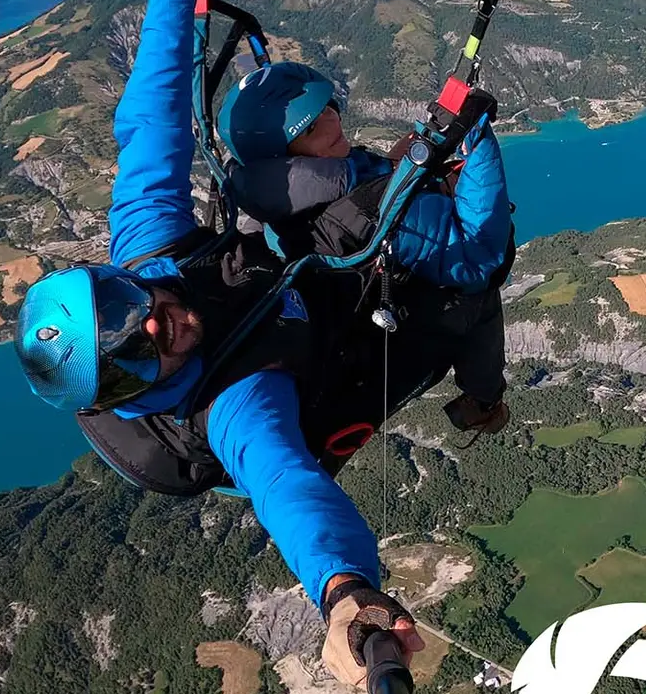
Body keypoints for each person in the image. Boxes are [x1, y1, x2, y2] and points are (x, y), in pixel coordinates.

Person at [12, 0, 497, 686]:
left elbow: (152, 115)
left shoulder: (150, 249)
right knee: (471, 294)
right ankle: (484, 403)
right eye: (137, 356)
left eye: (130, 306)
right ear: (129, 395)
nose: (159, 323)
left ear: (116, 278)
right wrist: (347, 597)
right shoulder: (234, 408)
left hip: (284, 288)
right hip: (321, 369)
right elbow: (289, 491)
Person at [212, 60, 513, 435]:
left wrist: (393, 164)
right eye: (310, 127)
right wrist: (479, 136)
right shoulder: (367, 207)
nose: (331, 123)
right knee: (481, 295)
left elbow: (354, 200)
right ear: (287, 155)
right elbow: (481, 257)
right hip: (401, 335)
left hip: (353, 316)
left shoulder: (273, 195)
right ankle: (484, 401)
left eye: (327, 109)